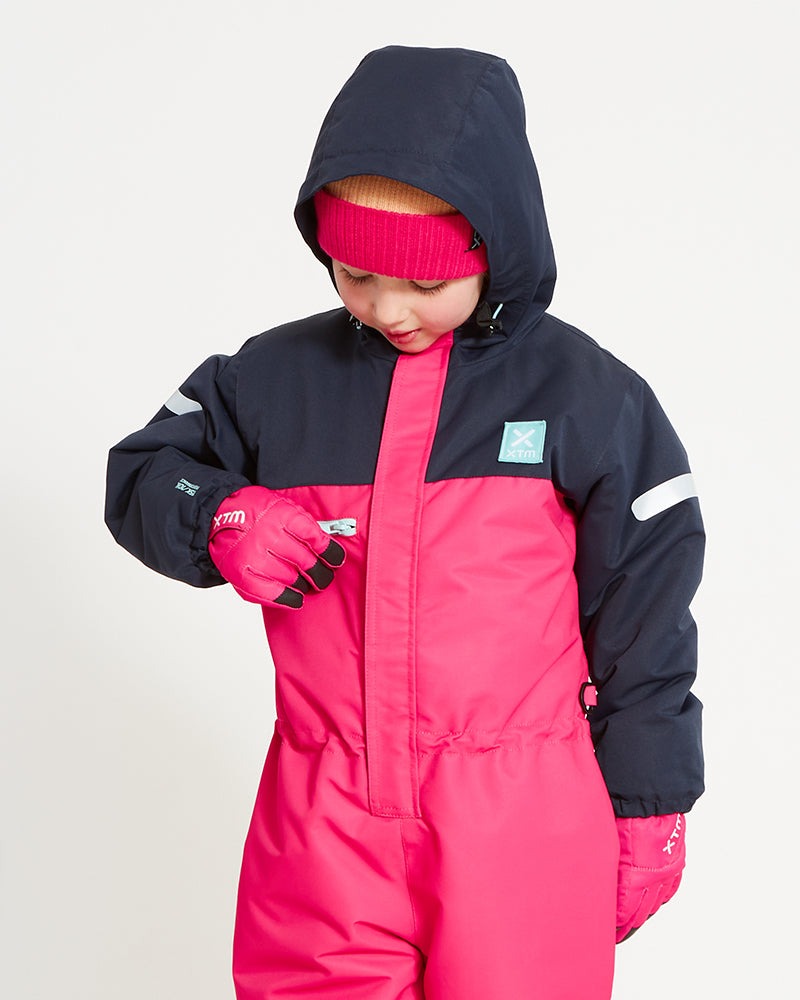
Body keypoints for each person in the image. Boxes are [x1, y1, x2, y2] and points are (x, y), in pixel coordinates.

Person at [105, 45, 704, 1000]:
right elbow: (144, 469)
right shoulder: (275, 381)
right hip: (323, 819)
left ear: (494, 247)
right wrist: (219, 513)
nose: (387, 309)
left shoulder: (586, 396)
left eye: (425, 285)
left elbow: (647, 607)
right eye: (353, 274)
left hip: (519, 818)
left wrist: (649, 797)